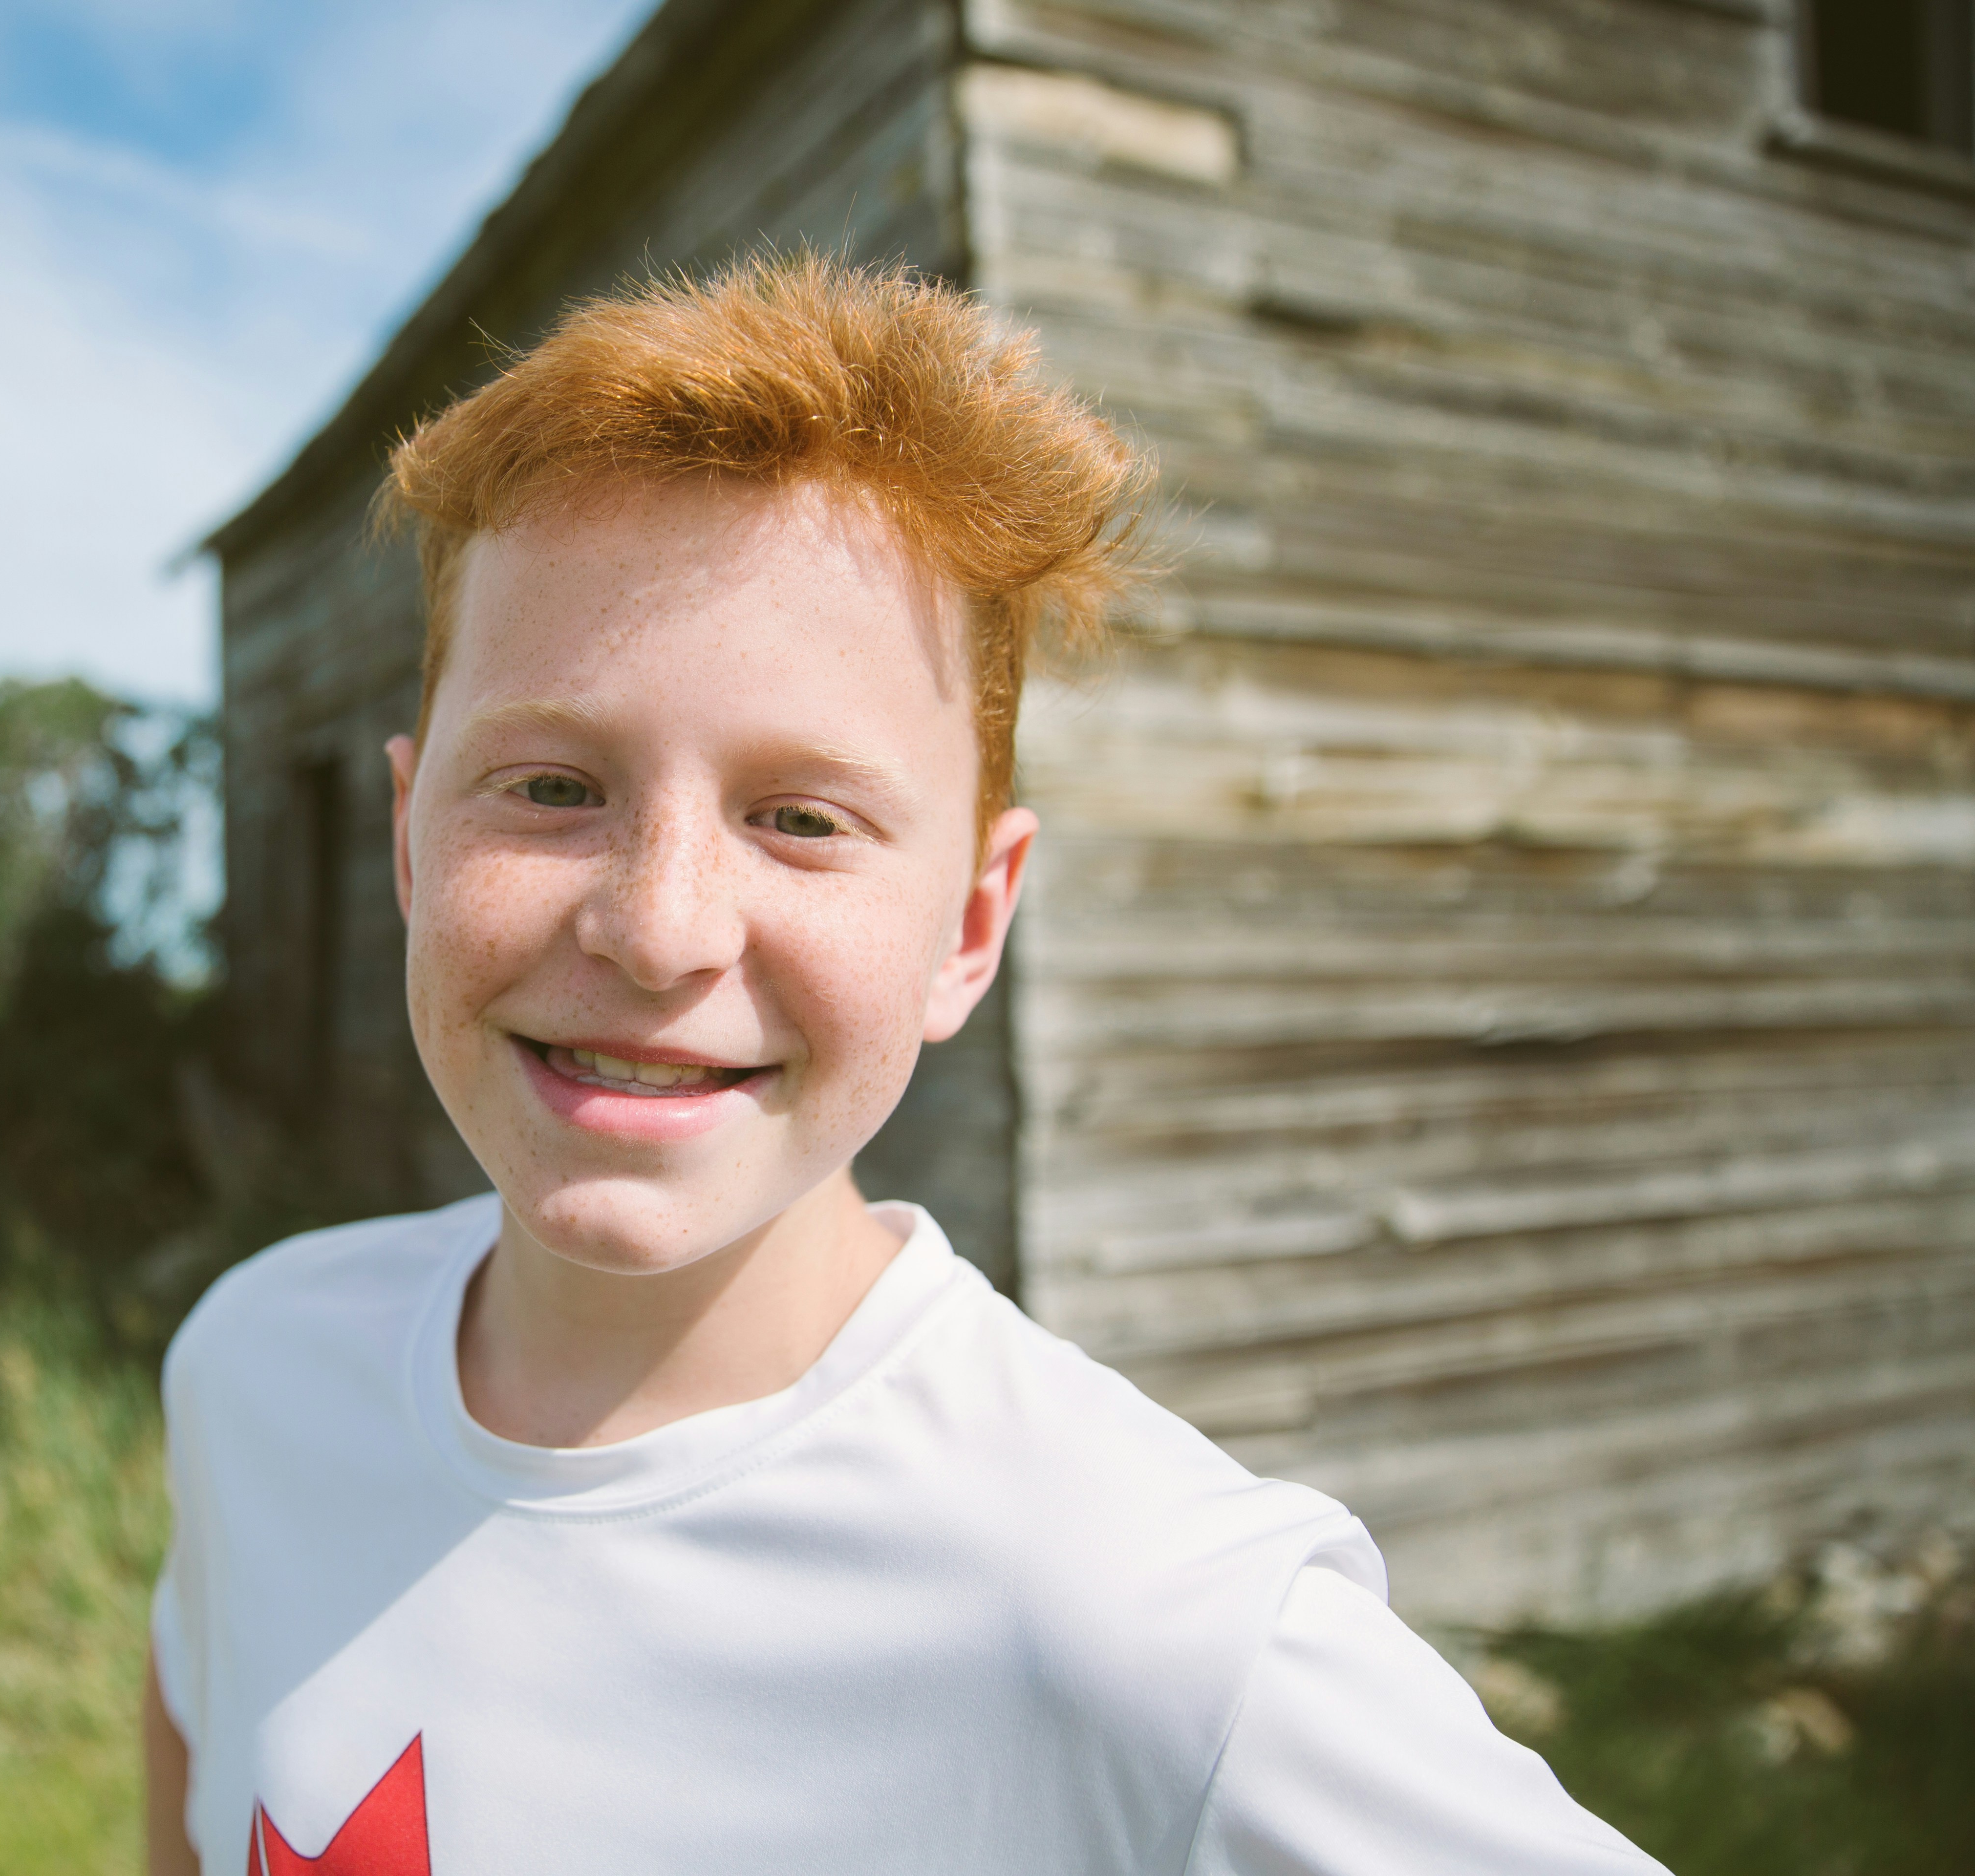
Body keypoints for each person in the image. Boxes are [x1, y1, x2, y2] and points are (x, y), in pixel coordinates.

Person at [145, 254, 1664, 1875]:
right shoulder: (258, 1367)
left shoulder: (1149, 1624)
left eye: (801, 819)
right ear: (404, 834)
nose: (660, 931)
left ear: (970, 923)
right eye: (545, 788)